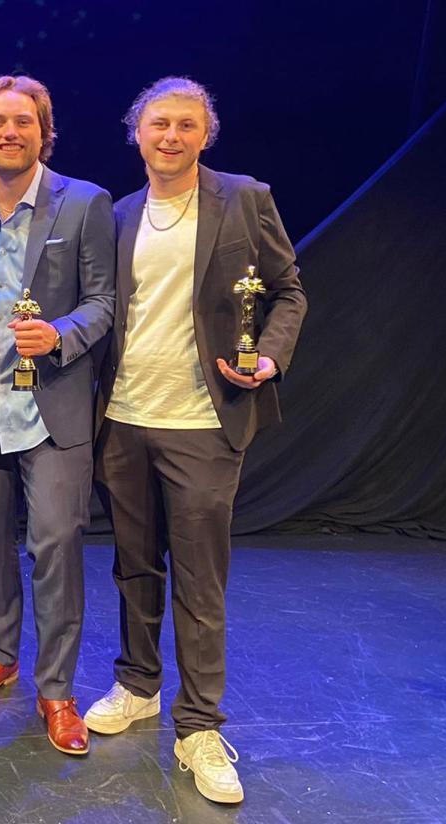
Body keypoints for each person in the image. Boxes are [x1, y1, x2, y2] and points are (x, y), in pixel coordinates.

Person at [89, 77, 307, 802]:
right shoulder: (117, 215)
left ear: (204, 133)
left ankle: (200, 727)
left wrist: (270, 355)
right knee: (133, 567)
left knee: (200, 580)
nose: (171, 136)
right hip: (123, 420)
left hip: (206, 423)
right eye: (159, 124)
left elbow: (289, 289)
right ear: (138, 133)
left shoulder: (244, 198)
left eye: (186, 124)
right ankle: (138, 685)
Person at [0, 75, 115, 756]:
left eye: (23, 122)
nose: (9, 133)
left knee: (56, 546)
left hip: (52, 406)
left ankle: (57, 688)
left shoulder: (86, 203)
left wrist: (61, 331)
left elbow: (104, 301)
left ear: (45, 130)